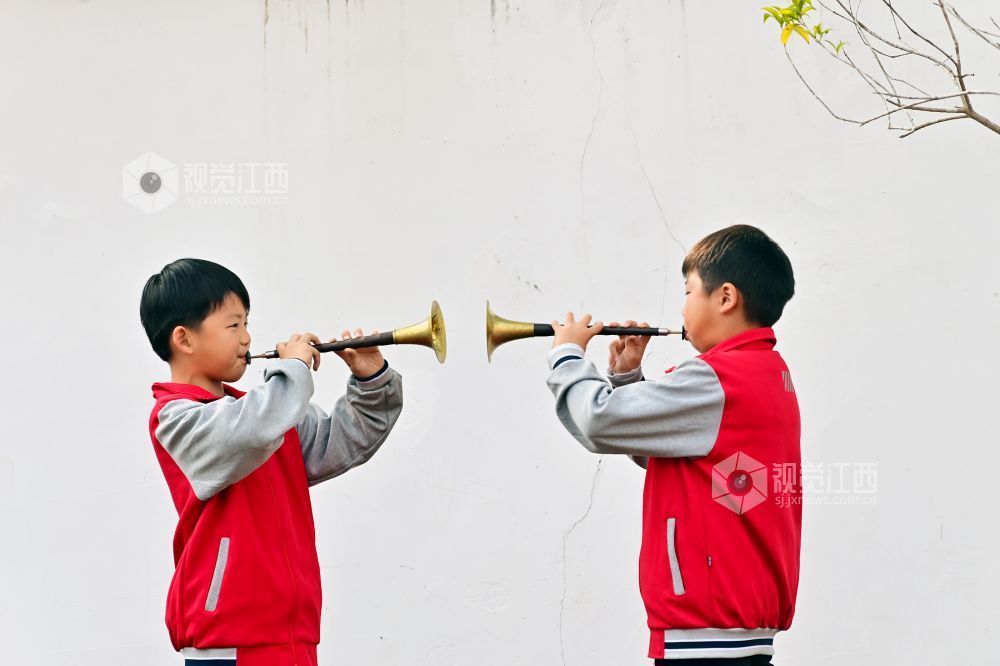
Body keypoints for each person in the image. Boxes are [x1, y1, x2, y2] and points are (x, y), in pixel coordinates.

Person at [546, 225, 799, 664]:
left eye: (688, 291)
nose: (682, 306)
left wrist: (567, 355)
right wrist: (627, 378)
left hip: (706, 633)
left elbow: (598, 421)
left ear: (725, 298)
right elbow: (673, 452)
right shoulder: (764, 372)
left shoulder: (716, 379)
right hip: (734, 629)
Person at [140, 258, 403, 666]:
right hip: (228, 641)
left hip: (292, 636)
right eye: (233, 325)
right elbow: (250, 429)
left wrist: (371, 383)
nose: (247, 338)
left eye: (247, 323)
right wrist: (292, 367)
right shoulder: (176, 418)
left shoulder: (264, 411)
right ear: (184, 339)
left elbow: (340, 443)